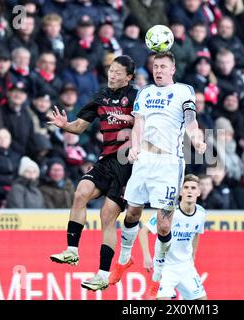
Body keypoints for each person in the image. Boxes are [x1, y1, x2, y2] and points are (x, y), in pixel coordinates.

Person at [108, 52, 206, 287]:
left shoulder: (184, 91)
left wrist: (198, 140)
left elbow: (191, 121)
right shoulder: (145, 93)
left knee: (163, 224)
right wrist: (133, 147)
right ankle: (123, 260)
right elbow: (138, 124)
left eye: (163, 66)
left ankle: (158, 276)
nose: (158, 70)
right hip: (144, 160)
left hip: (169, 164)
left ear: (173, 69)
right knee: (132, 212)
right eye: (155, 66)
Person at [48, 55, 138, 291]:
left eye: (118, 72)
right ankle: (71, 251)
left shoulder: (137, 96)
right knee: (80, 193)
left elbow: (146, 121)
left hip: (127, 163)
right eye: (111, 70)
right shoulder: (100, 96)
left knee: (108, 216)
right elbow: (79, 126)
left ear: (129, 77)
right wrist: (64, 125)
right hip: (106, 159)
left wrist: (127, 117)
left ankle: (102, 274)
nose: (112, 74)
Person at [139, 174, 207, 300]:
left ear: (199, 192)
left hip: (186, 266)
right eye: (186, 187)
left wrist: (193, 256)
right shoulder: (169, 211)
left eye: (193, 188)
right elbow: (143, 231)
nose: (189, 191)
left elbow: (196, 233)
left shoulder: (201, 213)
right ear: (181, 192)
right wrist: (147, 256)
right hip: (165, 267)